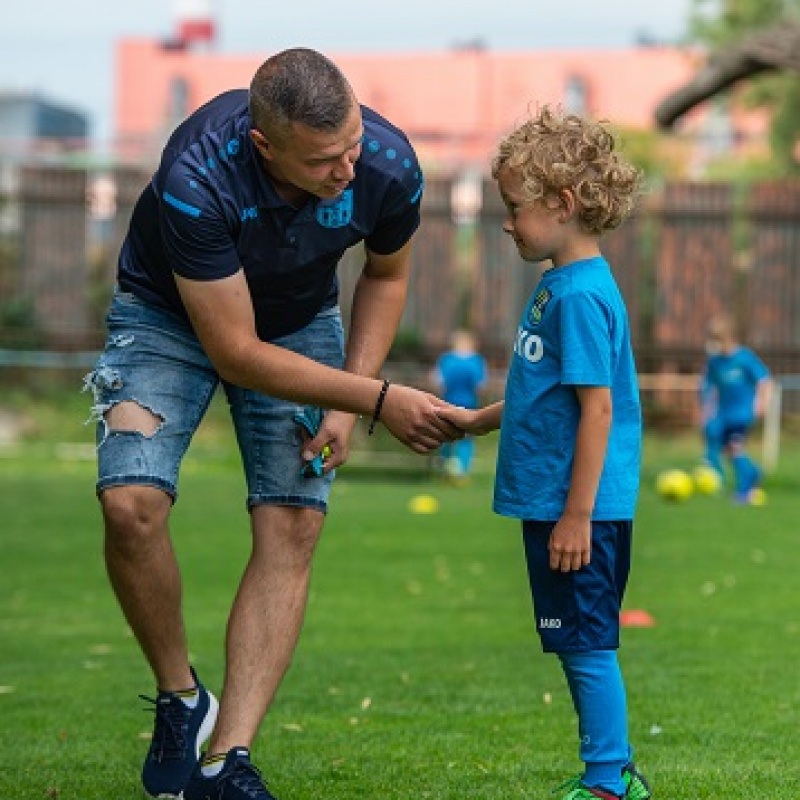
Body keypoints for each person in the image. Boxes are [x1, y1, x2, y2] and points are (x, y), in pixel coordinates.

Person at [83, 48, 460, 800]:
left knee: (294, 525)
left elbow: (385, 275)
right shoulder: (197, 175)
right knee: (130, 505)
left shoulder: (388, 164)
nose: (347, 171)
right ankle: (181, 698)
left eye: (352, 143)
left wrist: (346, 398)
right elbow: (235, 352)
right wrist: (378, 399)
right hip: (167, 318)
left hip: (299, 322)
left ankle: (228, 762)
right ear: (265, 146)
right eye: (324, 160)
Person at [437, 106, 651, 800]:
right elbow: (548, 395)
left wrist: (576, 515)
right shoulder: (559, 286)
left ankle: (607, 783)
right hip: (560, 504)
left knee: (587, 645)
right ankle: (610, 771)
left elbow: (598, 409)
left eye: (513, 207)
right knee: (574, 641)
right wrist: (477, 421)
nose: (506, 222)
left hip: (576, 510)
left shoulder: (580, 297)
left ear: (561, 206)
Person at [700, 312, 773, 504]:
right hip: (723, 414)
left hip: (742, 413)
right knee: (723, 447)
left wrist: (761, 402)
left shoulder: (744, 358)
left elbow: (764, 380)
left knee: (735, 448)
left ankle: (744, 490)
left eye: (716, 340)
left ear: (728, 338)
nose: (713, 345)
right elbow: (707, 386)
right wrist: (705, 408)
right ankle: (751, 472)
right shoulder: (715, 362)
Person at [432, 329, 488, 481]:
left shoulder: (446, 360)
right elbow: (480, 386)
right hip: (469, 404)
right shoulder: (476, 361)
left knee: (444, 435)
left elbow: (438, 382)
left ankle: (445, 467)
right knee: (466, 438)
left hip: (447, 403)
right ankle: (461, 471)